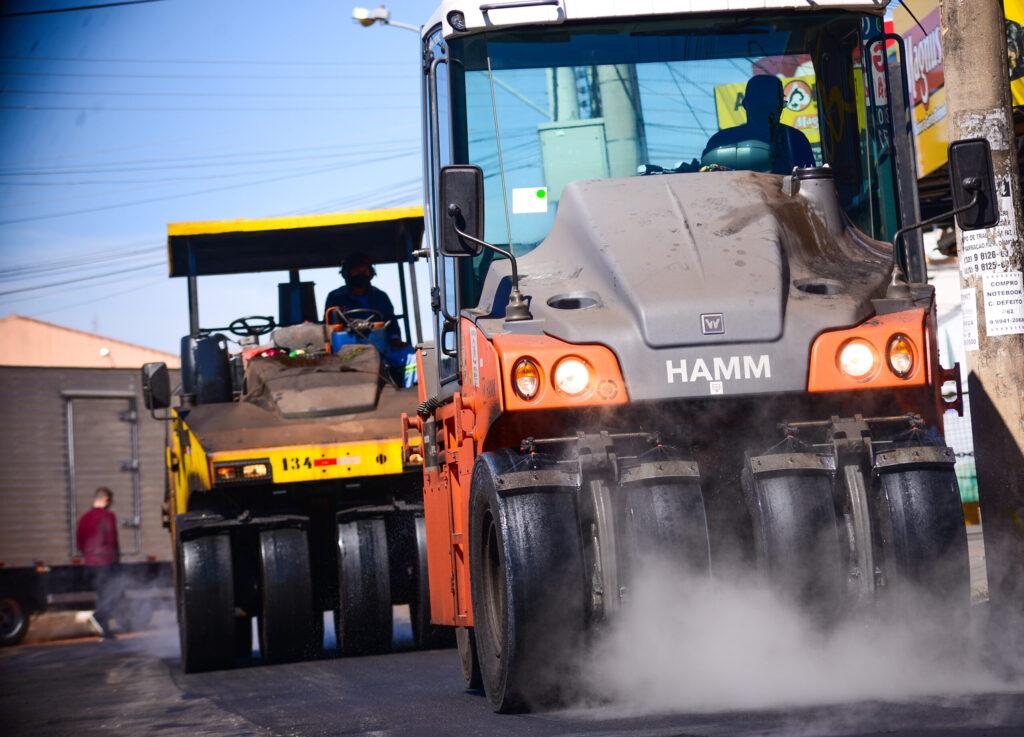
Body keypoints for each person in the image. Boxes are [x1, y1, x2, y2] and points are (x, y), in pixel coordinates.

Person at [702, 74, 816, 174]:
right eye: (762, 104)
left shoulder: (795, 140)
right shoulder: (720, 142)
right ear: (746, 104)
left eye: (774, 103)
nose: (769, 110)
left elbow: (810, 185)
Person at [325, 252, 403, 348]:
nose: (361, 273)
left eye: (364, 270)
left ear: (371, 273)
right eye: (356, 270)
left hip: (381, 347)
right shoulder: (335, 297)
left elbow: (392, 324)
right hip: (346, 349)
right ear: (346, 273)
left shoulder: (380, 296)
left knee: (412, 357)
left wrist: (395, 340)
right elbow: (329, 328)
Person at [76, 487, 121, 640]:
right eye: (110, 501)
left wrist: (89, 556)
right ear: (105, 499)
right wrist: (116, 558)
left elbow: (80, 542)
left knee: (102, 594)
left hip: (90, 563)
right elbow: (111, 539)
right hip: (106, 562)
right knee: (112, 593)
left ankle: (106, 631)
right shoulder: (108, 516)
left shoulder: (84, 518)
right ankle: (99, 615)